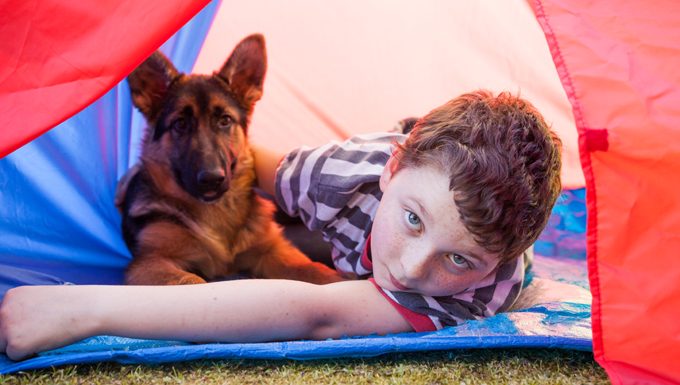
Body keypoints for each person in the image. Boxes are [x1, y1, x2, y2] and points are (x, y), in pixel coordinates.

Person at [0, 90, 562, 361]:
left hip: (397, 221)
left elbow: (313, 313)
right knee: (283, 221)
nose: (413, 269)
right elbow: (249, 167)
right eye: (413, 221)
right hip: (368, 182)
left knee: (329, 272)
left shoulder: (475, 293)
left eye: (457, 257)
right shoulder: (338, 174)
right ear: (392, 169)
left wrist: (82, 308)